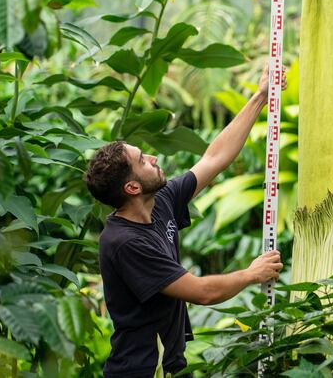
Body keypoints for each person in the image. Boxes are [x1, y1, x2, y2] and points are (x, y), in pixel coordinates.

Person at [84, 65, 284, 378]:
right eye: (142, 160)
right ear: (132, 188)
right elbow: (202, 292)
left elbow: (214, 159)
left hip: (170, 365)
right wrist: (251, 274)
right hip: (140, 370)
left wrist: (260, 96)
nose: (152, 158)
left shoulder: (158, 201)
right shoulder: (126, 243)